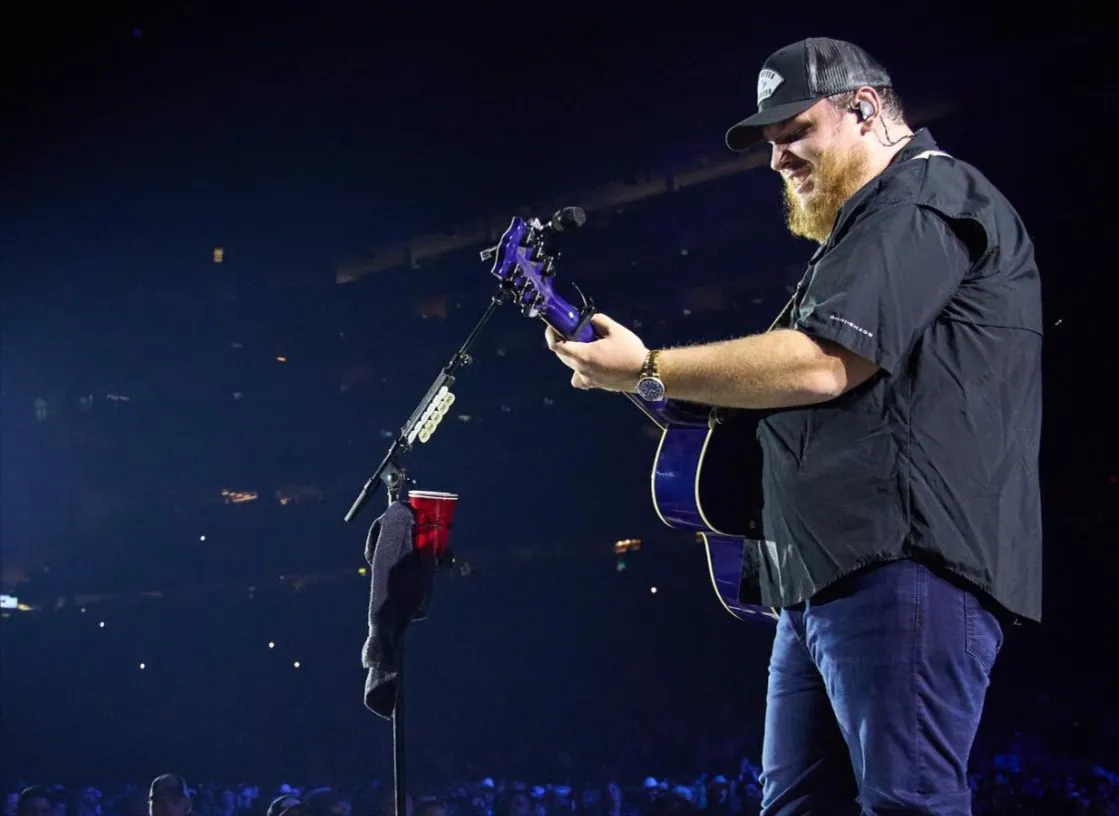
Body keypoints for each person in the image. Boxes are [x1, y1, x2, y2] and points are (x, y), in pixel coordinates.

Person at [543, 36, 1042, 816]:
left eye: (795, 132)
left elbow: (824, 364)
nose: (777, 159)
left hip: (900, 563)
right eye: (771, 143)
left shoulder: (924, 194)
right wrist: (635, 375)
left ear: (865, 109)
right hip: (823, 575)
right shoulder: (866, 229)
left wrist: (649, 366)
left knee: (908, 803)